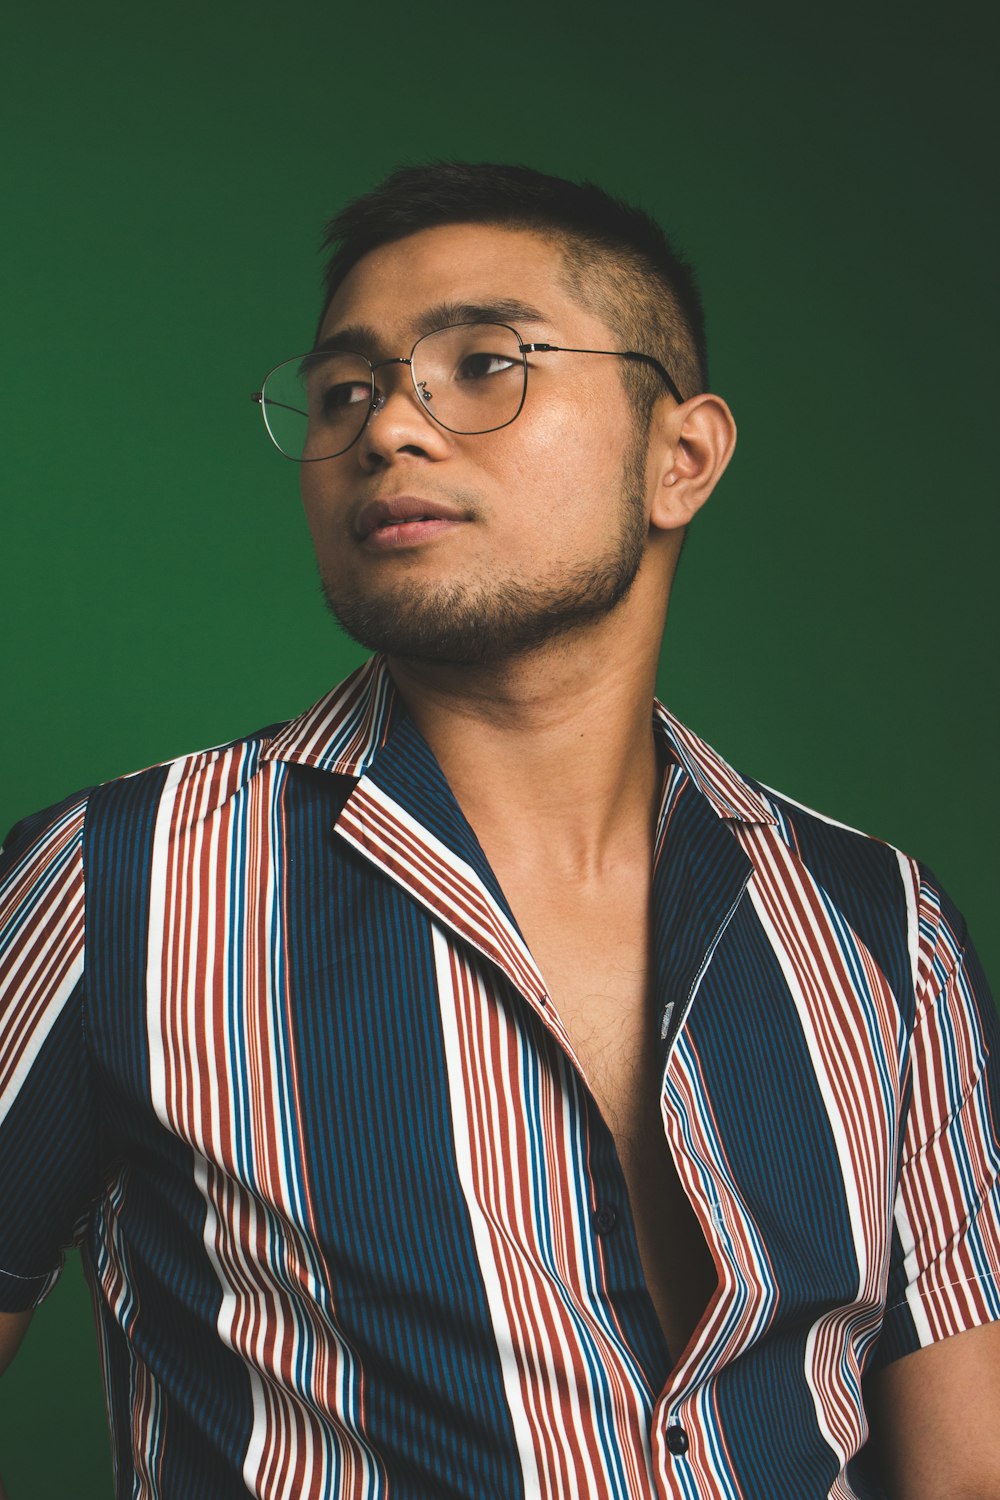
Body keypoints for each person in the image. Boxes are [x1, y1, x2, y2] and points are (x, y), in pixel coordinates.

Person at [1, 162, 998, 1500]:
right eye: (346, 389)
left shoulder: (883, 923)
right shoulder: (113, 887)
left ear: (680, 457)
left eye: (484, 364)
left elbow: (965, 1460)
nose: (389, 429)